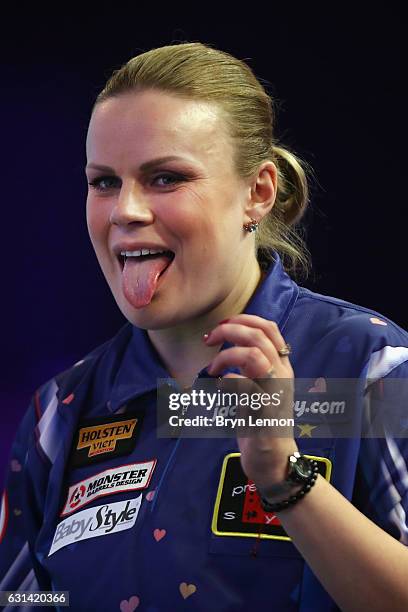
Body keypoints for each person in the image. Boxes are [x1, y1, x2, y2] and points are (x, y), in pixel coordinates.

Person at [1, 41, 408, 612]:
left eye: (165, 178)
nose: (125, 211)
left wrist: (286, 480)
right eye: (103, 182)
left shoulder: (370, 367)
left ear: (258, 193)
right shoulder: (61, 411)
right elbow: (28, 601)